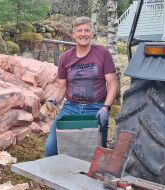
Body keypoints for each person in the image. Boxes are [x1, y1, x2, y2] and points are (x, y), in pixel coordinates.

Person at [44, 16, 118, 157]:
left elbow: (113, 83)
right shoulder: (65, 58)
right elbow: (61, 88)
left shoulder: (103, 53)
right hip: (71, 108)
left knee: (94, 154)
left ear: (92, 34)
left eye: (87, 30)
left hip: (96, 108)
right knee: (51, 148)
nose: (83, 34)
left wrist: (105, 108)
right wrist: (53, 101)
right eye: (79, 30)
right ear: (73, 34)